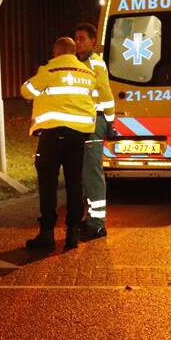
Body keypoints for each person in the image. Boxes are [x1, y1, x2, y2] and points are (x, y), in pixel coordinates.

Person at [20, 36, 101, 252]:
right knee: (75, 184)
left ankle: (46, 234)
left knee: (48, 184)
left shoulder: (49, 70)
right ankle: (72, 234)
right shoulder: (88, 73)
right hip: (78, 137)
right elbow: (92, 99)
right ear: (74, 53)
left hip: (52, 136)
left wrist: (41, 82)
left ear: (56, 53)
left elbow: (26, 91)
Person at [73, 22, 116, 240]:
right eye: (76, 38)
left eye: (82, 38)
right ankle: (88, 218)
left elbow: (105, 94)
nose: (78, 42)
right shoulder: (74, 63)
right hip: (79, 124)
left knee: (92, 173)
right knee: (81, 173)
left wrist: (109, 122)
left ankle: (97, 224)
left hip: (94, 123)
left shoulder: (95, 63)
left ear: (92, 41)